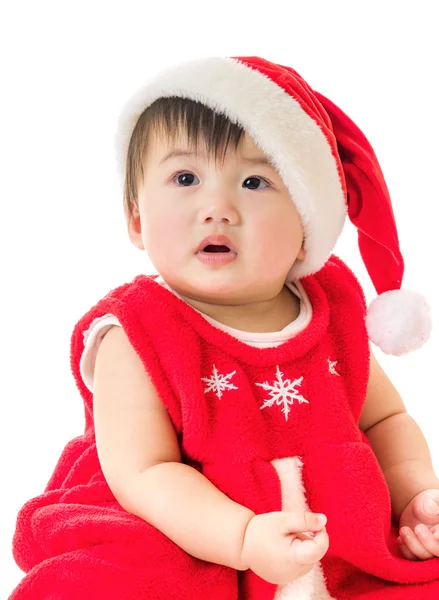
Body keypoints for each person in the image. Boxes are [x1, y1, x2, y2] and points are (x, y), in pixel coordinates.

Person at [9, 55, 439, 599]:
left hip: (338, 536)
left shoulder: (330, 307)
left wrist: (414, 494)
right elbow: (145, 473)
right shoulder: (135, 331)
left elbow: (384, 418)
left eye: (255, 181)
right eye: (185, 177)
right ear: (137, 218)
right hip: (180, 532)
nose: (218, 208)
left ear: (308, 227)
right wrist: (241, 536)